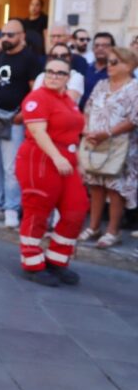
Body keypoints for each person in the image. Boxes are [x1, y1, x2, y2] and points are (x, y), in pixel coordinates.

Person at [16, 56, 87, 287]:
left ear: (68, 78)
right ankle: (32, 261)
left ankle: (57, 259)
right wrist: (56, 157)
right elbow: (38, 131)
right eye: (50, 71)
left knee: (76, 209)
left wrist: (78, 163)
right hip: (40, 160)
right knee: (37, 209)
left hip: (66, 161)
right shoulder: (37, 98)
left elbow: (75, 134)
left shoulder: (68, 100)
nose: (54, 76)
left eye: (60, 73)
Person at [0, 19, 42, 227]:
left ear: (22, 36)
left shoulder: (31, 59)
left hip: (14, 120)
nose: (5, 38)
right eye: (3, 34)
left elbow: (34, 90)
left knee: (11, 167)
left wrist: (23, 113)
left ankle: (12, 208)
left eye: (10, 35)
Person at [78, 47, 138, 249]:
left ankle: (113, 231)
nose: (109, 66)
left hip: (121, 145)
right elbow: (88, 108)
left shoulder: (134, 88)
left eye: (115, 62)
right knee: (95, 185)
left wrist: (108, 133)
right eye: (109, 62)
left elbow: (133, 119)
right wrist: (87, 130)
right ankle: (93, 227)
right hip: (95, 142)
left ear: (129, 66)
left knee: (115, 189)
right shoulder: (102, 85)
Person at [80, 32, 114, 110]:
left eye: (105, 45)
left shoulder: (119, 71)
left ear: (113, 48)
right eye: (97, 45)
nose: (100, 48)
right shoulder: (85, 67)